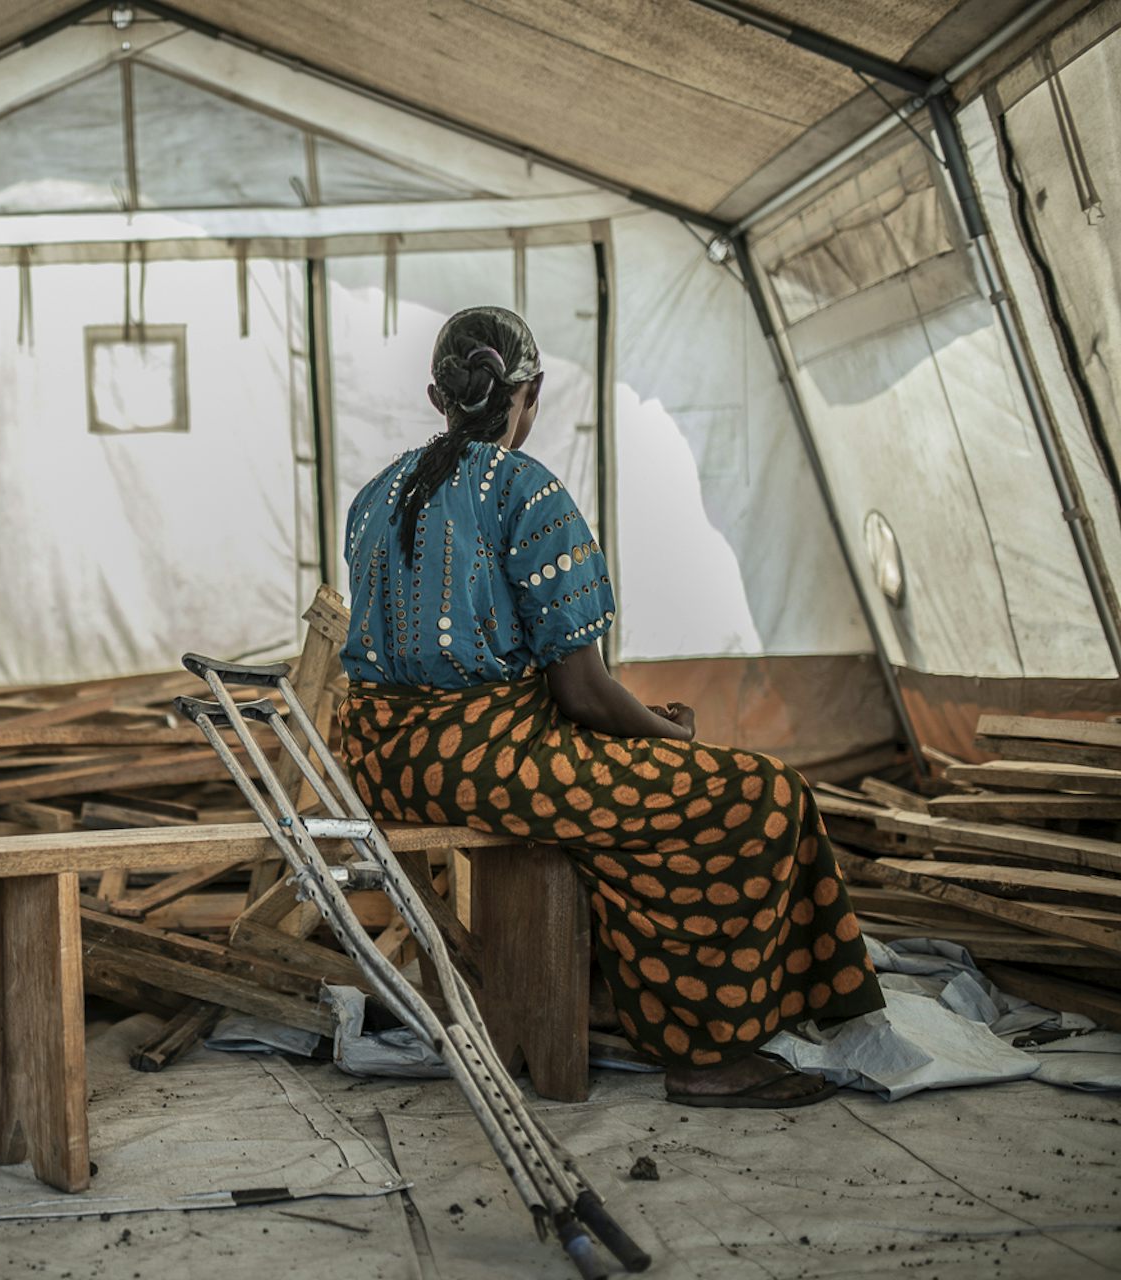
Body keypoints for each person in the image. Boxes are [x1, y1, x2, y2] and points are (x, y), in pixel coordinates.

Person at [337, 306, 885, 1107]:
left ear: (436, 396)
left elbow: (467, 679)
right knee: (756, 795)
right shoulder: (524, 490)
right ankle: (708, 1054)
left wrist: (642, 738)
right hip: (478, 759)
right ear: (532, 395)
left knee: (638, 788)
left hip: (382, 759)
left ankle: (620, 999)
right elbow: (581, 691)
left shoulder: (376, 495)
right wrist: (669, 735)